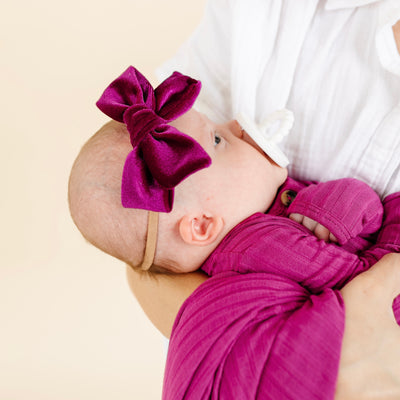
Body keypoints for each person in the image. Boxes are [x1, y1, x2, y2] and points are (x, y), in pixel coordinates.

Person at [69, 66, 400, 398]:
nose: (237, 126)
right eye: (218, 139)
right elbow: (369, 286)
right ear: (202, 225)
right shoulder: (258, 245)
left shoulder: (258, 233)